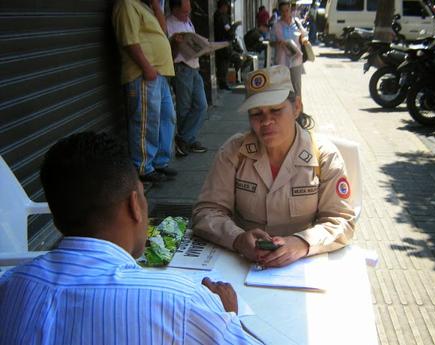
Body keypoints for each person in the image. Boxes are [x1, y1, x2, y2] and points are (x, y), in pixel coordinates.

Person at [0, 132, 261, 345]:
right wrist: (227, 316)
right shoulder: (180, 301)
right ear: (134, 206)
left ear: (56, 219)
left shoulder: (9, 285)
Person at [192, 65, 356, 268]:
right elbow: (206, 211)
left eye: (276, 110)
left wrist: (303, 243)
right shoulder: (234, 152)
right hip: (243, 262)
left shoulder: (323, 155)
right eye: (256, 113)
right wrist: (238, 239)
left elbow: (341, 220)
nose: (266, 121)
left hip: (304, 264)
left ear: (297, 107)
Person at [112, 0, 178, 184]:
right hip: (144, 73)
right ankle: (143, 167)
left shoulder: (146, 7)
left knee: (167, 117)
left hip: (159, 74)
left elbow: (164, 33)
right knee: (145, 122)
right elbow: (129, 41)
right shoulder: (127, 5)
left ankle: (159, 162)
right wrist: (146, 67)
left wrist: (157, 7)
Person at [166, 0, 208, 157]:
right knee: (184, 107)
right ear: (174, 9)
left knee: (201, 105)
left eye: (188, 12)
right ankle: (187, 140)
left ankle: (184, 139)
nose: (187, 16)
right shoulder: (168, 24)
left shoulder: (188, 22)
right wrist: (176, 44)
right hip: (181, 67)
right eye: (184, 13)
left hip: (194, 66)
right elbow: (170, 53)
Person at [270, 0, 305, 103]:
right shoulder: (276, 26)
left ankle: (299, 114)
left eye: (287, 10)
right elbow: (271, 42)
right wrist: (277, 43)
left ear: (291, 10)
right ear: (280, 12)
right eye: (282, 11)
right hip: (282, 62)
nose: (285, 13)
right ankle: (285, 113)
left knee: (296, 88)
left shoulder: (297, 23)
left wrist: (304, 40)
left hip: (296, 61)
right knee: (282, 89)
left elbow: (304, 36)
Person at [214, 0, 233, 90]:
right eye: (226, 7)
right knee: (223, 64)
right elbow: (226, 29)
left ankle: (223, 81)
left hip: (223, 42)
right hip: (222, 43)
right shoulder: (220, 17)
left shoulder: (222, 16)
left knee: (224, 64)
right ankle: (222, 82)